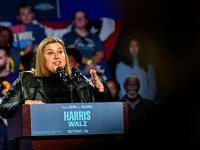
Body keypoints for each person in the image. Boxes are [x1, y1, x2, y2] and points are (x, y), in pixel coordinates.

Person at [0, 37, 112, 119]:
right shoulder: (26, 80)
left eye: (60, 52)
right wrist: (24, 103)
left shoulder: (79, 80)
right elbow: (4, 108)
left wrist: (101, 90)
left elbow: (102, 114)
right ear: (41, 58)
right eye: (50, 53)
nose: (57, 56)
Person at [62, 10, 112, 81]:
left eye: (82, 18)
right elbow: (73, 55)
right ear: (73, 21)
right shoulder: (68, 36)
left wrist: (91, 64)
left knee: (104, 67)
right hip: (78, 69)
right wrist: (89, 62)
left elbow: (100, 54)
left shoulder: (94, 37)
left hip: (93, 67)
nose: (80, 20)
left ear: (86, 21)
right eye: (77, 18)